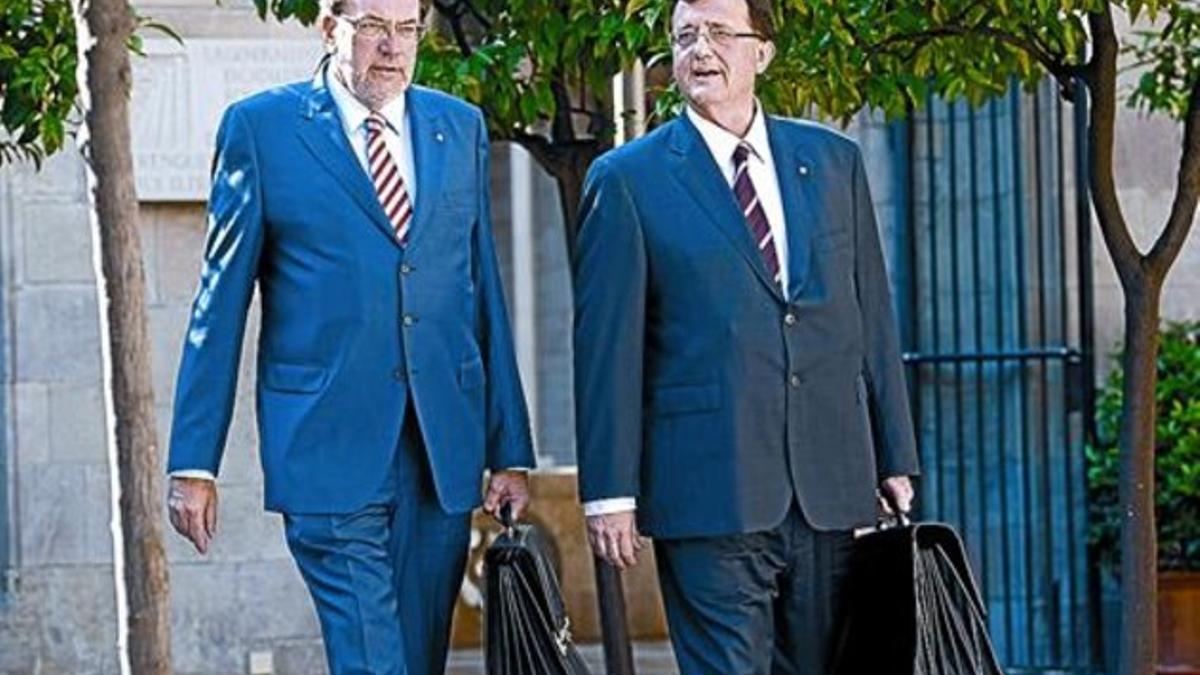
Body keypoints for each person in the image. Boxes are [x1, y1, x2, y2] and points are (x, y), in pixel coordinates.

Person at [164, 0, 534, 671]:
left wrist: (509, 447)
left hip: (439, 452)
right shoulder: (262, 130)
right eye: (371, 27)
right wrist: (194, 461)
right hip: (326, 448)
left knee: (417, 658)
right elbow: (218, 307)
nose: (390, 47)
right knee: (373, 656)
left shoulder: (460, 127)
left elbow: (484, 296)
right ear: (329, 27)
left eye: (405, 30)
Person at [573, 0, 920, 671]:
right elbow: (606, 350)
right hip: (708, 488)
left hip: (830, 485)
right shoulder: (626, 180)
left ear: (762, 51)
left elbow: (872, 319)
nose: (700, 50)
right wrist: (610, 491)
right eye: (685, 37)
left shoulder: (834, 163)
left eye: (720, 34)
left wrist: (893, 453)